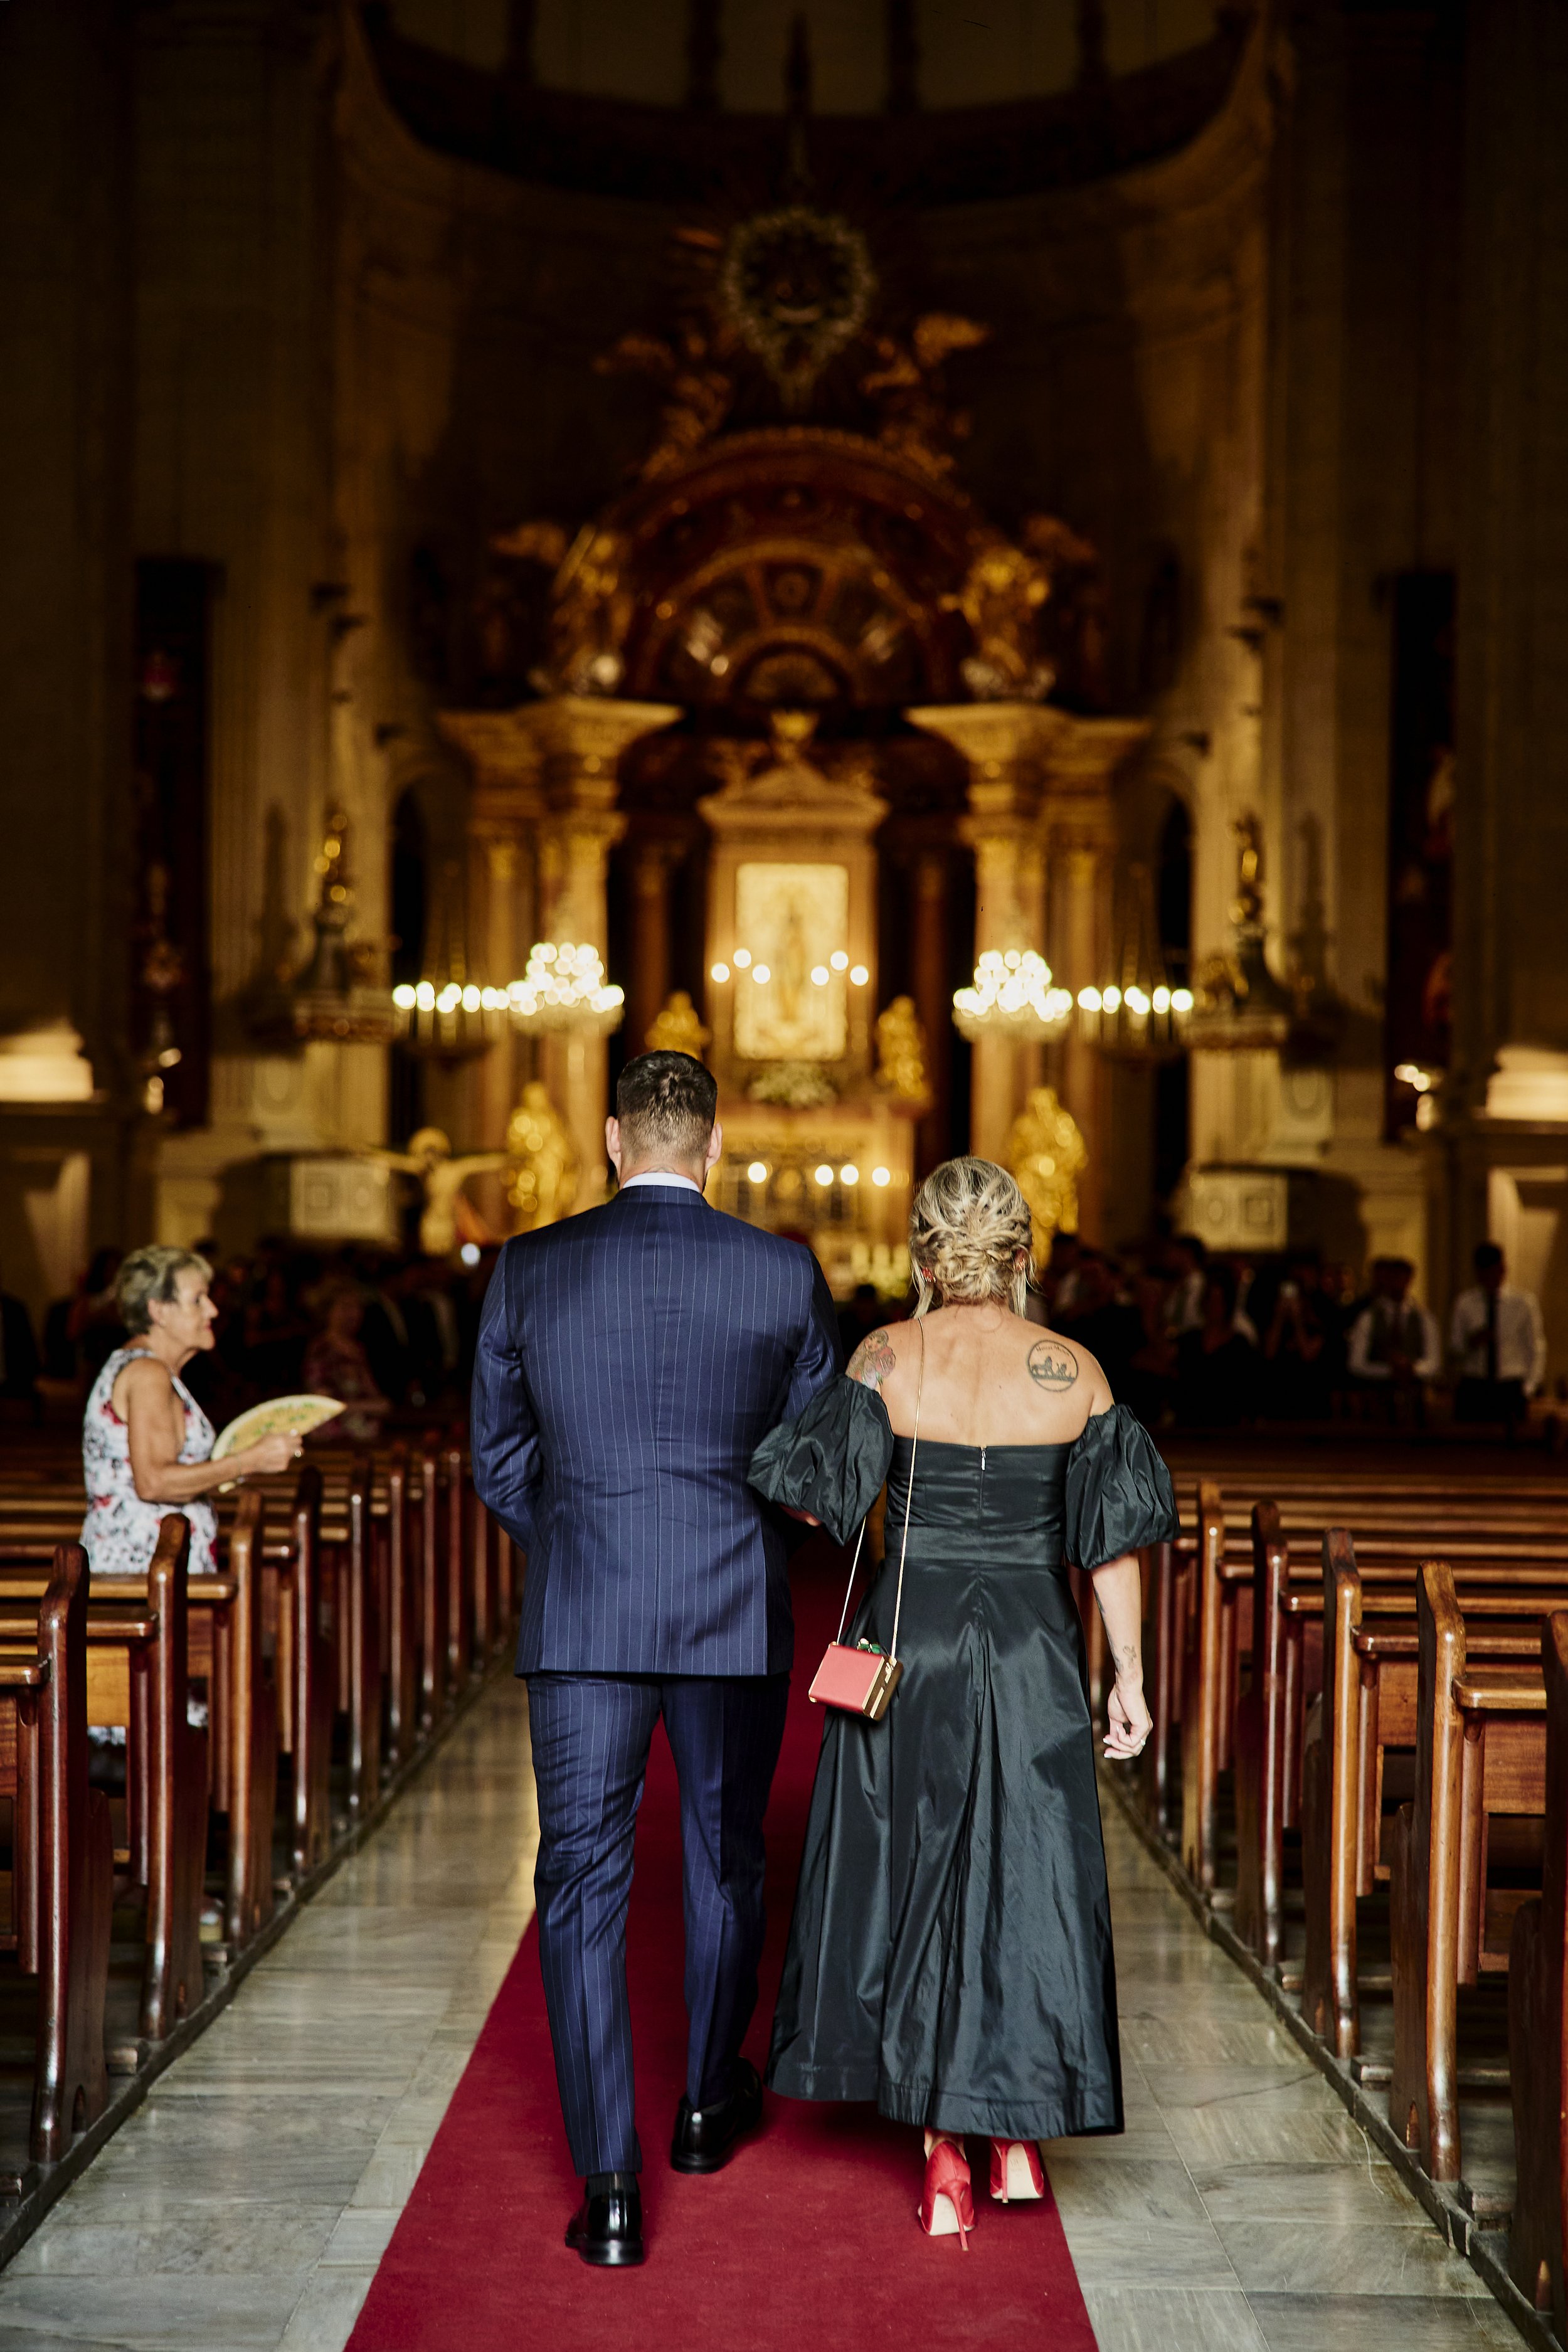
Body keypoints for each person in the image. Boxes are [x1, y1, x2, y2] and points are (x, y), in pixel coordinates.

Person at [753, 1157, 1177, 2250]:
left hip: (909, 1639)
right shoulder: (1075, 1369)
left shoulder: (889, 1354)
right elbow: (1110, 1545)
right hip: (1034, 1642)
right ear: (1024, 1254)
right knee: (1027, 1877)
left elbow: (825, 1513)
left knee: (914, 1874)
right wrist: (1127, 1675)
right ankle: (1018, 2139)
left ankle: (945, 2153)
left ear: (925, 1253)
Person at [470, 1051, 839, 2270]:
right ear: (713, 1148)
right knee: (726, 1860)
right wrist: (728, 1524)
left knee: (579, 1881)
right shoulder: (779, 1270)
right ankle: (698, 2108)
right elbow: (812, 1472)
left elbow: (498, 1458)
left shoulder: (530, 1265)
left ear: (615, 1142)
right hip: (729, 1606)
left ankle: (610, 2190)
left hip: (584, 1611)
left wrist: (582, 1537)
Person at [80, 1246, 302, 1579]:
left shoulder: (149, 1368)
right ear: (159, 1311)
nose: (212, 1310)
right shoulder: (148, 1373)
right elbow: (154, 1482)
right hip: (144, 1572)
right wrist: (251, 1460)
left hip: (156, 1566)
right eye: (197, 1300)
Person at [1450, 1241, 1547, 1430]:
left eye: (1494, 1271)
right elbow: (1455, 1347)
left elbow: (1535, 1346)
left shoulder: (1523, 1303)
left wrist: (1529, 1386)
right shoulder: (1465, 1303)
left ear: (1503, 1269)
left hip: (1509, 1386)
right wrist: (1472, 1342)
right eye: (1484, 1273)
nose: (1490, 1278)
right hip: (1475, 1385)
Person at [1346, 1256, 1441, 1421]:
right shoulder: (1369, 1317)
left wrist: (1411, 1368)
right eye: (1393, 1278)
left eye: (1402, 1278)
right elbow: (1356, 1363)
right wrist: (1389, 1370)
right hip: (1377, 1398)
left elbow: (1434, 1362)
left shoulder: (1423, 1318)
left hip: (1413, 1400)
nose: (1398, 1283)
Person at [302, 1285, 391, 1444]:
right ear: (329, 1311)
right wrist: (367, 1407)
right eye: (346, 1307)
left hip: (365, 1436)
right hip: (333, 1440)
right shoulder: (321, 1349)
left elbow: (376, 1397)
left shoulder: (358, 1349)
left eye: (357, 1307)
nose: (354, 1314)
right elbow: (322, 1403)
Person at [1174, 1263, 1258, 1428]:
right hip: (1188, 1427)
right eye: (1210, 1300)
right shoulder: (1189, 1341)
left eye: (1219, 1302)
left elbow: (1249, 1392)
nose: (1214, 1308)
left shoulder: (1239, 1345)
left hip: (1228, 1430)